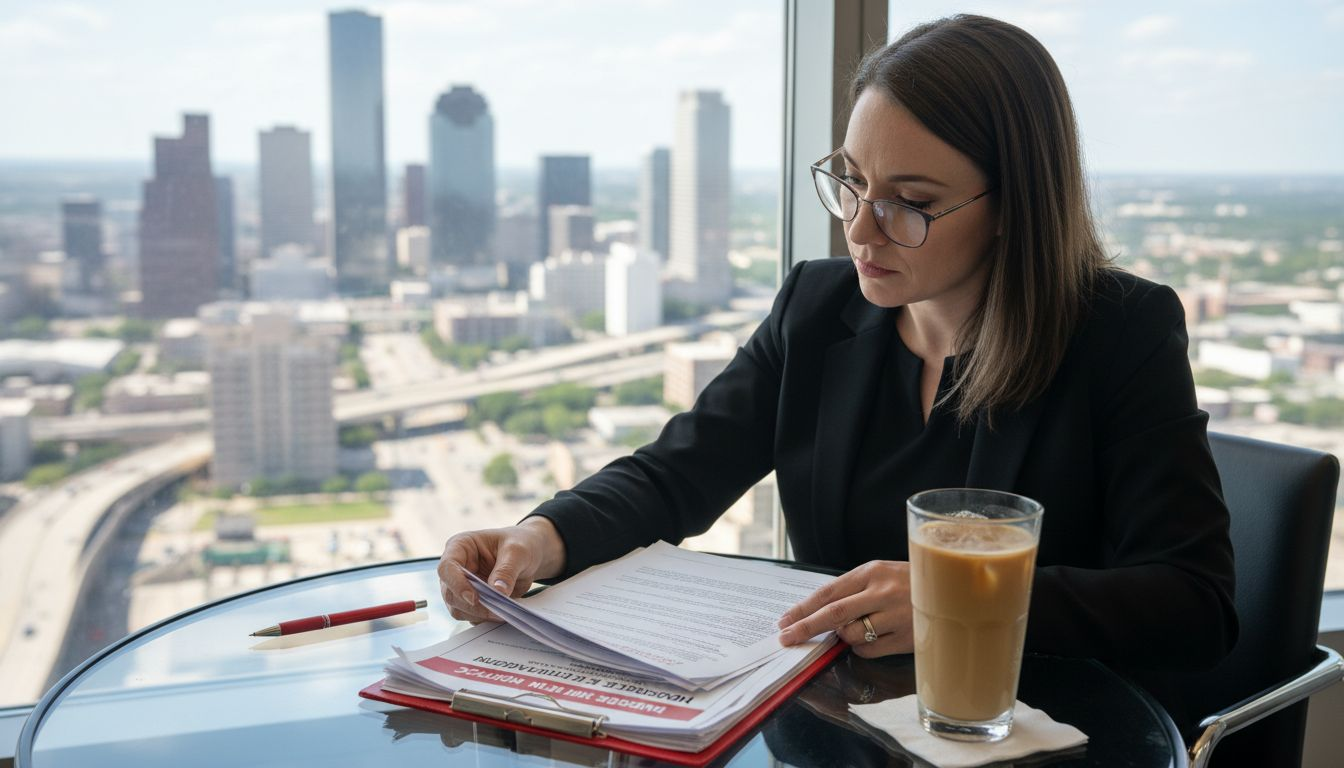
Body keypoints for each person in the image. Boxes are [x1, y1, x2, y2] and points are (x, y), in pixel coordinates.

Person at [438, 14, 1236, 735]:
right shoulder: (817, 308)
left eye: (908, 201)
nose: (859, 228)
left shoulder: (1120, 333)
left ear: (1014, 205)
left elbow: (1194, 605)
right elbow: (676, 474)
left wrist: (954, 599)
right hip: (836, 731)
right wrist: (541, 537)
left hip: (1038, 735)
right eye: (852, 180)